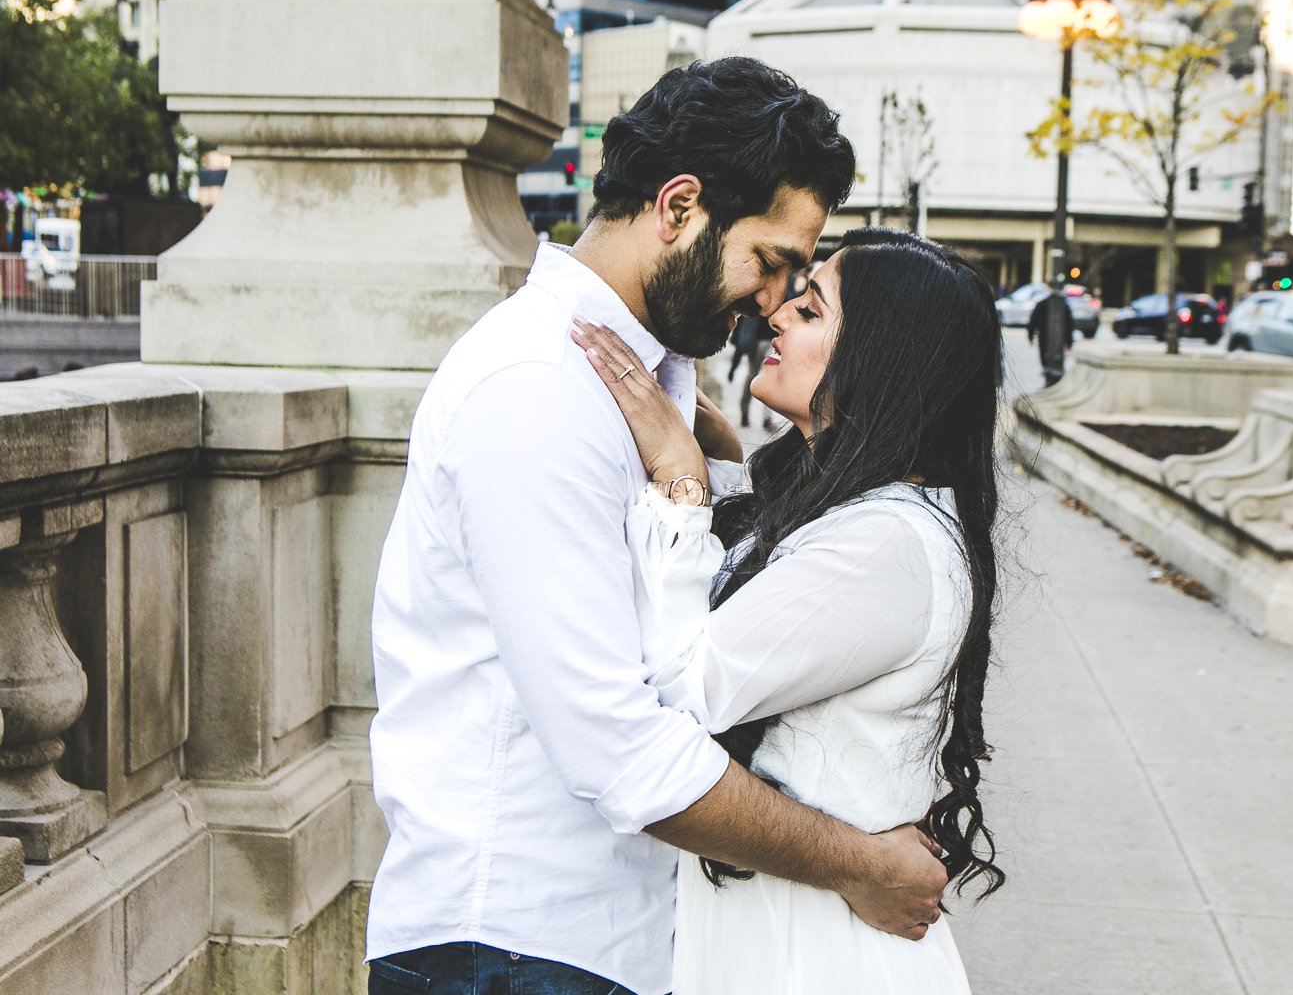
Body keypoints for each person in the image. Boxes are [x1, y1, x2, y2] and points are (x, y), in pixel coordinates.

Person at [365, 58, 948, 995]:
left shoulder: (648, 382)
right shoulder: (538, 388)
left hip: (594, 943)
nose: (770, 301)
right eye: (770, 261)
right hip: (514, 945)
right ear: (679, 207)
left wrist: (714, 480)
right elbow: (618, 746)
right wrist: (857, 863)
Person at [571, 226, 1006, 994]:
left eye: (810, 312)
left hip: (815, 955)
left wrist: (682, 480)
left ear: (881, 359)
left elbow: (688, 687)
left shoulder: (886, 545)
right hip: (780, 931)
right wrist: (729, 470)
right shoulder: (860, 515)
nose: (775, 318)